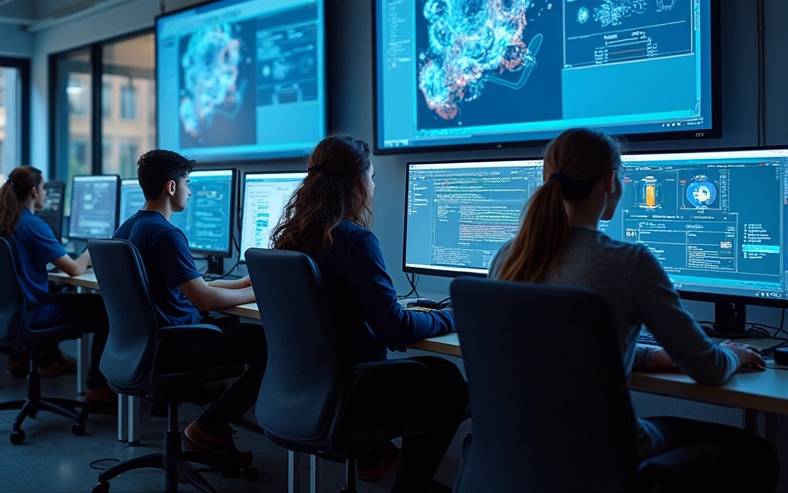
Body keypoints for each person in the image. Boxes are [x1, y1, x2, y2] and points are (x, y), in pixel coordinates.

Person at [490, 127, 779, 492]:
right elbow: (708, 368)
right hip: (605, 454)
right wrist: (734, 354)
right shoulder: (628, 262)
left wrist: (648, 356)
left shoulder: (508, 257)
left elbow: (561, 342)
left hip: (521, 451)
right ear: (611, 181)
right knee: (755, 450)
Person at [271, 134, 469, 491]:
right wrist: (457, 315)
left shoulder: (292, 237)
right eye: (372, 176)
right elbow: (396, 330)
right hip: (351, 393)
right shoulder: (354, 240)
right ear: (357, 181)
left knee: (433, 374)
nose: (374, 185)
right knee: (448, 382)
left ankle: (379, 459)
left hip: (303, 390)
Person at [114, 150, 264, 468]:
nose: (191, 191)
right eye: (188, 183)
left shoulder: (130, 228)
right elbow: (203, 300)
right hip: (176, 345)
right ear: (171, 187)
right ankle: (208, 430)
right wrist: (261, 293)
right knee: (272, 346)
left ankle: (209, 430)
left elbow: (192, 285)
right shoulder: (166, 234)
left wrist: (241, 285)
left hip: (145, 345)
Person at [0, 165, 114, 410]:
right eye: (43, 188)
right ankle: (98, 388)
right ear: (33, 191)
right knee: (107, 309)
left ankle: (47, 361)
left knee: (64, 295)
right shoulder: (32, 224)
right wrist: (88, 253)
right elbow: (73, 269)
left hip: (2, 315)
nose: (44, 193)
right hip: (29, 315)